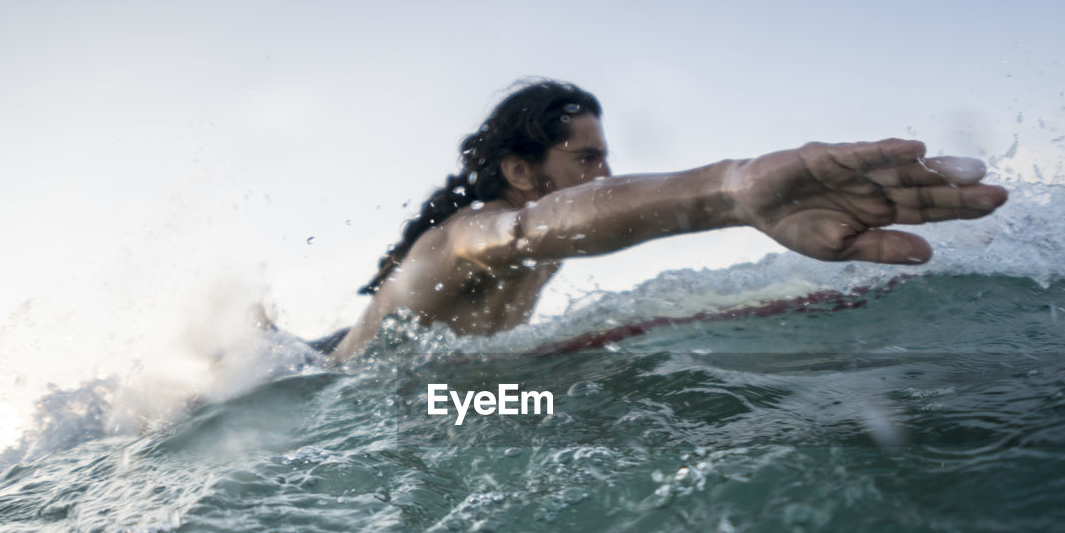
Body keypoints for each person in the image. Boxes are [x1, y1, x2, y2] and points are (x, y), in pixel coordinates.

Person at [322, 80, 1007, 362]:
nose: (607, 181)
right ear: (523, 174)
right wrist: (730, 191)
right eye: (588, 161)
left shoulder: (548, 242)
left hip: (445, 383)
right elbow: (524, 232)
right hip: (351, 385)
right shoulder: (463, 237)